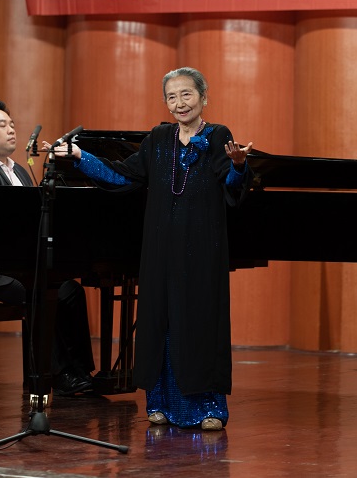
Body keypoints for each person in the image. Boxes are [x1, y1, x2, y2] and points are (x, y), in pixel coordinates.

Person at [43, 67, 253, 430]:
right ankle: (160, 404)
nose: (179, 103)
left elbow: (232, 186)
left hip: (202, 249)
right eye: (171, 96)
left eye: (186, 94)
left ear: (204, 97)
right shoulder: (158, 138)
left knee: (199, 320)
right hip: (160, 248)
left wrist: (238, 165)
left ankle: (209, 409)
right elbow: (122, 175)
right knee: (160, 320)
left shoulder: (219, 135)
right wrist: (79, 156)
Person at [0, 99, 95, 397]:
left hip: (21, 262)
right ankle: (57, 374)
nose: (11, 130)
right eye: (2, 125)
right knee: (41, 292)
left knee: (71, 290)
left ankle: (81, 370)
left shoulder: (19, 170)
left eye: (12, 125)